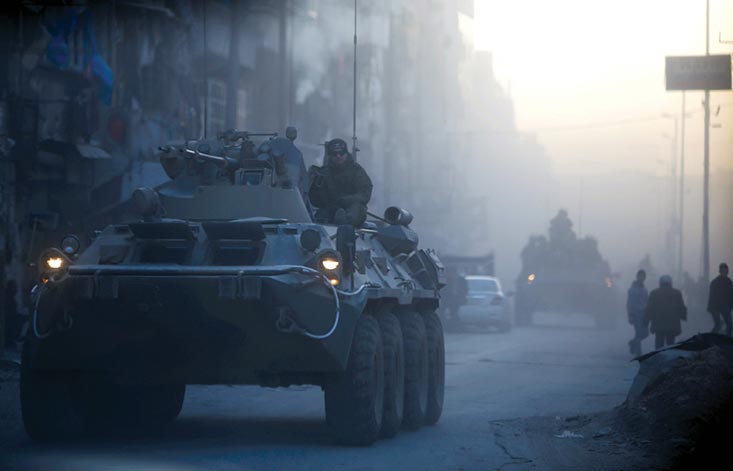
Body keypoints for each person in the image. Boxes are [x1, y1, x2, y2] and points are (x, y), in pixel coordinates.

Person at [308, 138, 373, 226]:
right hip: (331, 208)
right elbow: (315, 200)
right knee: (320, 216)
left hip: (352, 207)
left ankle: (344, 222)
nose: (338, 156)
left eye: (341, 153)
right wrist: (313, 182)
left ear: (346, 154)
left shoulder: (356, 171)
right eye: (334, 154)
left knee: (356, 211)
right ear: (330, 156)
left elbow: (365, 193)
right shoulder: (323, 173)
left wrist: (347, 200)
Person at [646, 275, 687, 349]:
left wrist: (647, 319)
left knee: (659, 344)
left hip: (658, 324)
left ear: (660, 283)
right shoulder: (677, 293)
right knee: (670, 345)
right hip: (672, 324)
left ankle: (658, 358)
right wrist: (683, 316)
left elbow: (649, 308)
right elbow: (681, 307)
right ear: (670, 283)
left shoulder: (654, 293)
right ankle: (669, 359)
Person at [626, 269, 649, 356]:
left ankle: (632, 343)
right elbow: (629, 303)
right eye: (640, 276)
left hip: (644, 314)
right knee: (638, 333)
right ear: (637, 277)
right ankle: (638, 353)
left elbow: (647, 301)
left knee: (645, 333)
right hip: (635, 314)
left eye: (643, 276)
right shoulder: (632, 289)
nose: (642, 277)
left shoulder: (644, 288)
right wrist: (630, 315)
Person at [707, 262, 733, 337]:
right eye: (723, 271)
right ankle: (710, 338)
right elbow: (711, 296)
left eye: (725, 271)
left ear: (727, 271)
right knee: (718, 324)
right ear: (720, 271)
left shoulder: (729, 282)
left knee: (730, 324)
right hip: (715, 306)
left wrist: (730, 306)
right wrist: (711, 308)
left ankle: (728, 340)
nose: (724, 272)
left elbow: (731, 295)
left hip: (725, 306)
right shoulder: (715, 282)